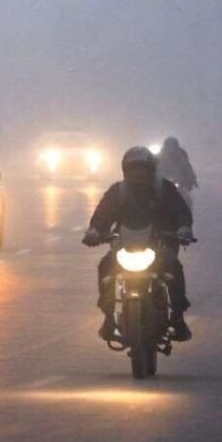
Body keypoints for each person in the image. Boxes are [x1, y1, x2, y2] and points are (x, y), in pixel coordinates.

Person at [82, 146, 194, 342]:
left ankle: (178, 318)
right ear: (125, 170)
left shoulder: (164, 189)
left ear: (150, 169)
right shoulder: (118, 191)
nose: (137, 173)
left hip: (157, 246)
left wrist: (183, 228)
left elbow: (181, 212)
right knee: (105, 267)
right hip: (124, 246)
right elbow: (102, 215)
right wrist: (94, 231)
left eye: (141, 169)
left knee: (173, 267)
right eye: (133, 169)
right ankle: (108, 318)